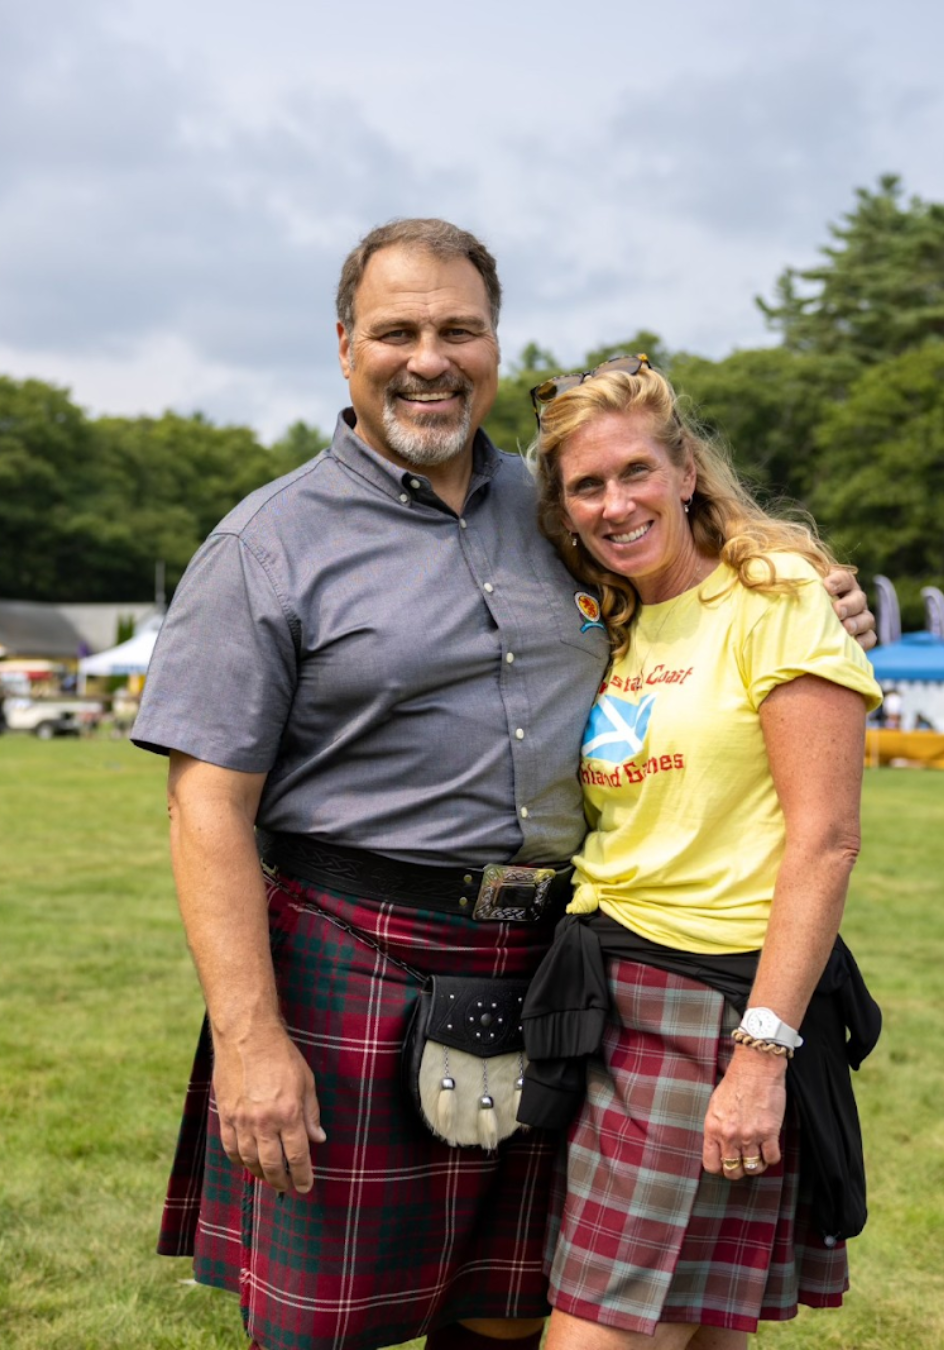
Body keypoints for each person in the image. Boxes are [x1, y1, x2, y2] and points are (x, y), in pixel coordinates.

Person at [132, 219, 877, 1350]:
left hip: (557, 975)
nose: (428, 357)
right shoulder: (266, 546)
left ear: (492, 346)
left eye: (458, 330)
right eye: (396, 331)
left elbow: (694, 579)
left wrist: (820, 596)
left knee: (515, 1314)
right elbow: (206, 806)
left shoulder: (562, 516)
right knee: (320, 1328)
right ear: (344, 348)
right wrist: (250, 1040)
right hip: (351, 955)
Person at [525, 357, 882, 1350]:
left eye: (635, 471)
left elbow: (825, 840)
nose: (615, 503)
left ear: (686, 473)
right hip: (609, 997)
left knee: (598, 1332)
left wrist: (761, 1056)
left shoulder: (774, 600)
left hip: (715, 1004)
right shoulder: (617, 618)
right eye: (586, 486)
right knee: (696, 1334)